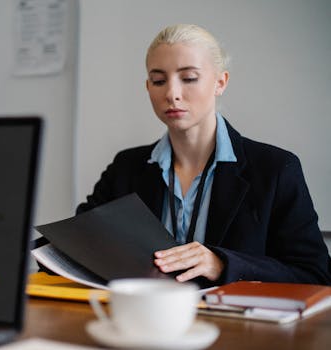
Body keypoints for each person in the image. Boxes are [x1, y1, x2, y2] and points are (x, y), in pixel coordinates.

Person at [77, 24, 331, 287]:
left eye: (188, 78)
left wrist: (221, 264)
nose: (172, 94)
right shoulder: (126, 167)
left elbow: (315, 274)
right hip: (144, 318)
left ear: (220, 83)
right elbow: (72, 244)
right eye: (159, 80)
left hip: (235, 326)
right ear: (148, 86)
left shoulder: (275, 169)